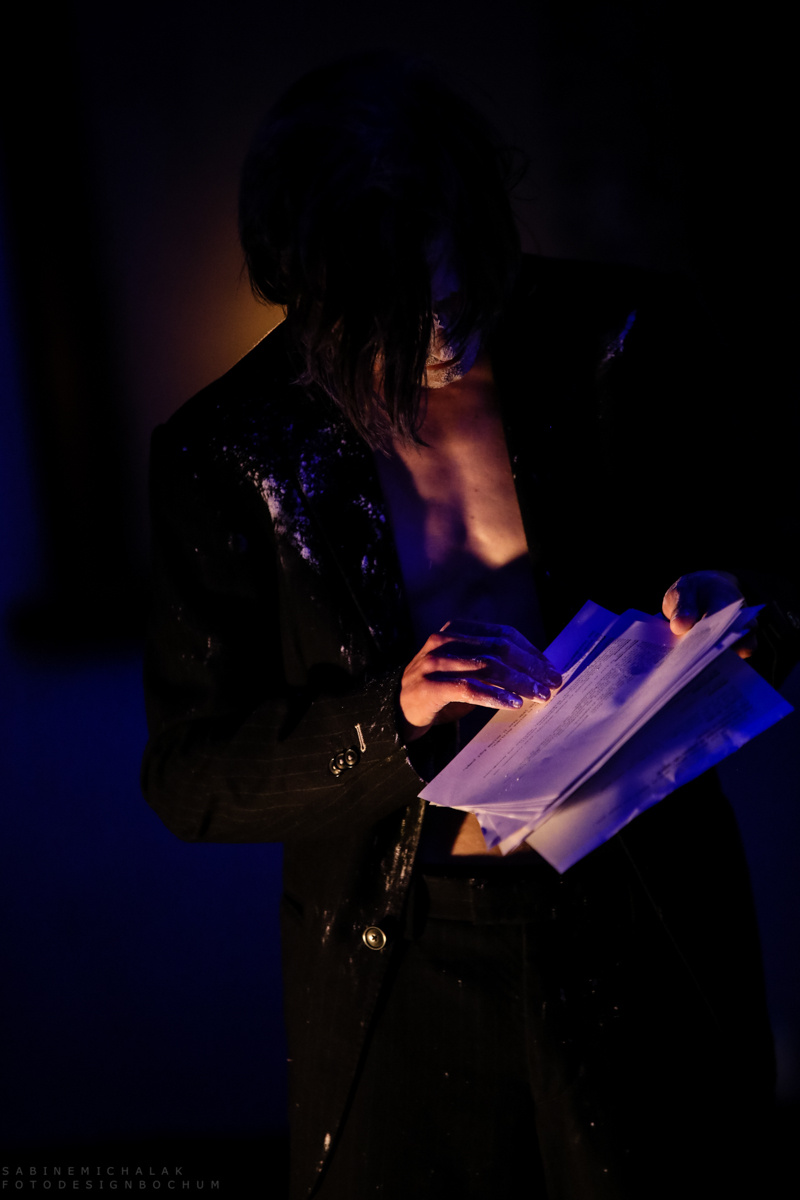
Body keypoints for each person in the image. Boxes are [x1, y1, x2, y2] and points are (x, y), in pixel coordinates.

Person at [142, 52, 782, 1199]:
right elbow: (190, 779)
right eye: (389, 317)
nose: (436, 338)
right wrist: (391, 714)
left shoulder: (623, 338)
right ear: (308, 294)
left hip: (642, 912)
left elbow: (765, 555)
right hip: (402, 952)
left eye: (449, 292)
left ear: (478, 227)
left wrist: (724, 590)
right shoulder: (229, 450)